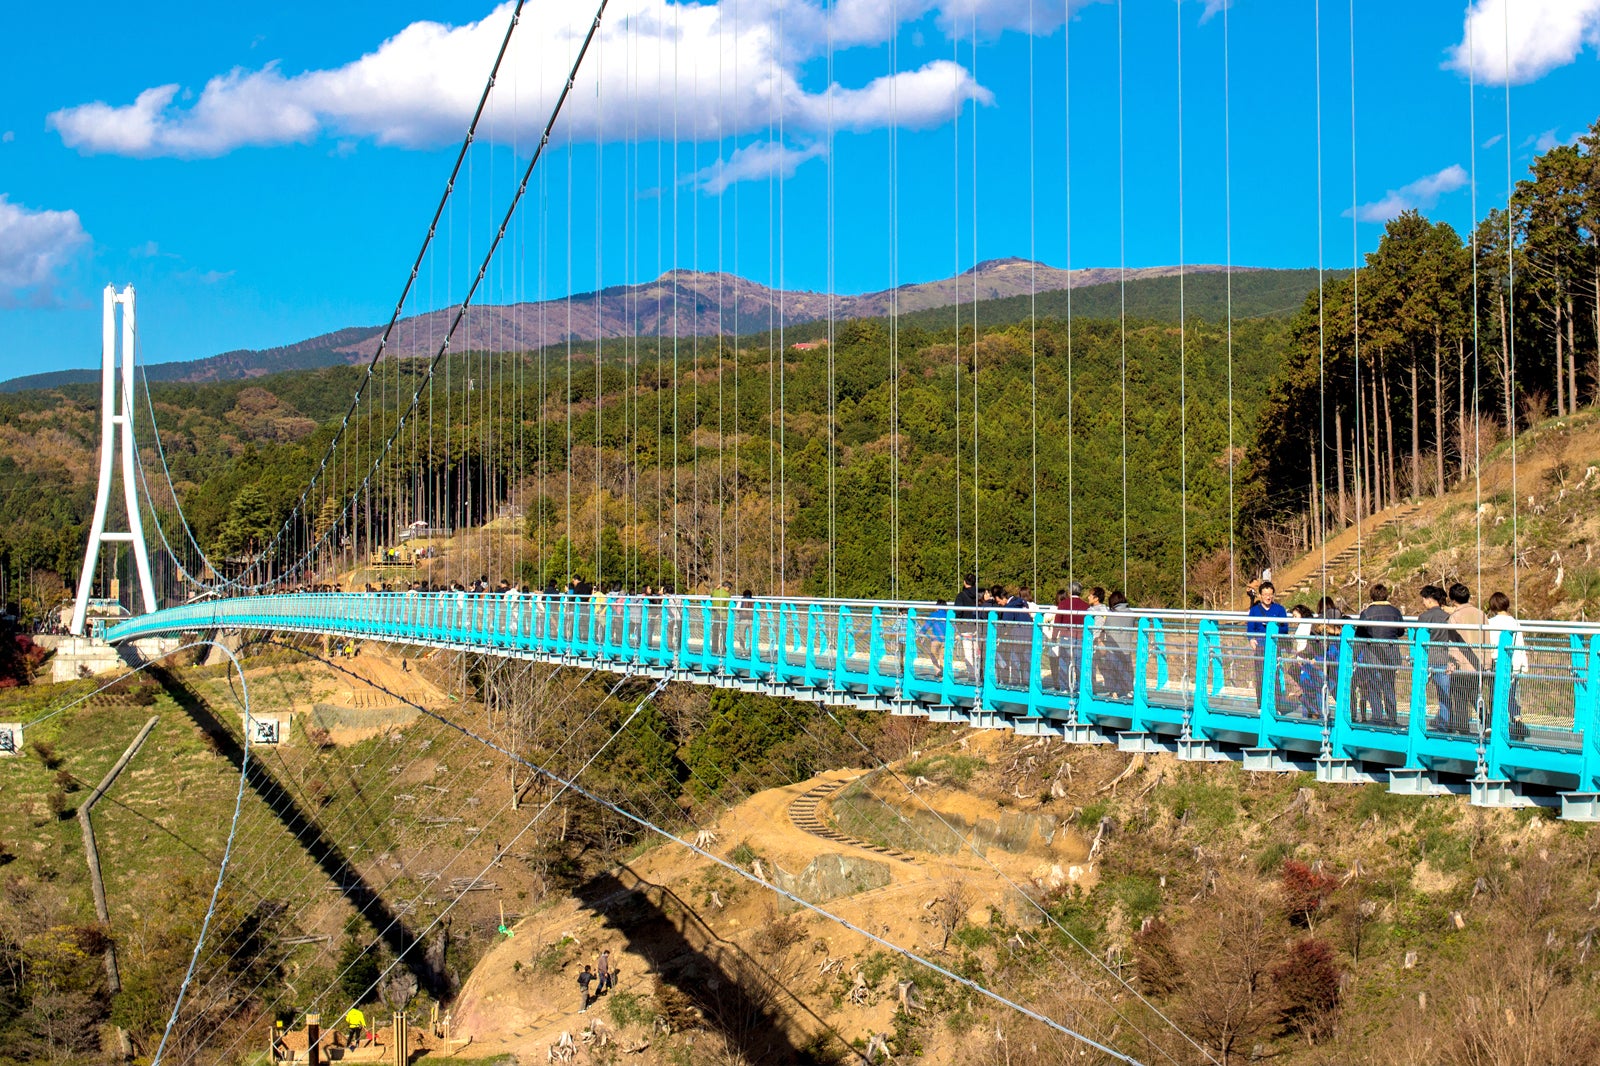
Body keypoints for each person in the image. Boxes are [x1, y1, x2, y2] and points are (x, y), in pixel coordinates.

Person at [1355, 584, 1405, 725]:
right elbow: (1400, 632)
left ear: (1372, 596)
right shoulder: (1395, 612)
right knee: (1389, 687)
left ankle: (1377, 717)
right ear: (1386, 595)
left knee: (1374, 687)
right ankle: (1391, 718)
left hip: (1372, 655)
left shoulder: (1367, 613)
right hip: (1391, 655)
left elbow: (1361, 634)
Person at [1485, 591, 1531, 737]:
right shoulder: (1515, 622)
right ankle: (1517, 719)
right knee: (1511, 693)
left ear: (1492, 606)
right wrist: (1523, 665)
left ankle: (1494, 724)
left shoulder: (1491, 623)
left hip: (1498, 663)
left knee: (1495, 693)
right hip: (1514, 663)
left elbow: (1490, 645)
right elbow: (1520, 644)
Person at [1446, 583, 1488, 734]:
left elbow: (1453, 643)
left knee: (1460, 697)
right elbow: (1487, 639)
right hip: (1479, 663)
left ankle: (1463, 729)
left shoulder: (1455, 617)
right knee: (1477, 695)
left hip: (1462, 664)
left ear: (1452, 599)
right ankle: (1486, 723)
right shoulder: (1481, 614)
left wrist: (1452, 663)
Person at [1246, 580, 1289, 706]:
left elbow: (1284, 629)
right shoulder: (1254, 610)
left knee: (1274, 676)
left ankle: (1276, 704)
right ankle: (1261, 705)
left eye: (1270, 594)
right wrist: (1251, 639)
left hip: (1274, 646)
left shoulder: (1279, 609)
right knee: (1260, 676)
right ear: (1260, 595)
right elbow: (1250, 628)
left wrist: (1273, 627)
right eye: (1265, 594)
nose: (1268, 597)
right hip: (1260, 645)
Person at [1417, 585, 1453, 730]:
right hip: (1443, 658)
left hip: (1426, 658)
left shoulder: (1424, 617)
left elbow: (1417, 638)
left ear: (1430, 599)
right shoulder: (1447, 617)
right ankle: (1444, 723)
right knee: (1444, 694)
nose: (1423, 603)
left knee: (1419, 691)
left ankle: (1418, 723)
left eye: (1424, 599)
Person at [1053, 583, 1090, 694]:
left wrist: (1054, 637)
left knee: (1064, 663)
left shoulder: (1063, 604)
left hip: (1065, 637)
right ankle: (1079, 688)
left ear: (1069, 591)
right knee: (1079, 663)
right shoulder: (1086, 606)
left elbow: (1058, 621)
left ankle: (1065, 687)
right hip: (1080, 637)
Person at [1099, 591, 1137, 697]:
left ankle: (1114, 691)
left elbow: (1105, 629)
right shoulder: (1132, 614)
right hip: (1126, 646)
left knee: (1112, 669)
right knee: (1126, 669)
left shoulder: (1110, 615)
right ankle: (1129, 690)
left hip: (1112, 647)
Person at [954, 575, 980, 679]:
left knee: (968, 652)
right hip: (977, 626)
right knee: (977, 651)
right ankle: (978, 673)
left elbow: (958, 611)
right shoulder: (979, 595)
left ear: (965, 582)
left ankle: (972, 675)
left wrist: (958, 623)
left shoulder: (961, 595)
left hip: (965, 627)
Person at [916, 599, 951, 672]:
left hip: (935, 639)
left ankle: (937, 670)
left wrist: (921, 633)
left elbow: (927, 625)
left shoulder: (933, 615)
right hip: (946, 639)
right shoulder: (948, 615)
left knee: (933, 655)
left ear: (937, 607)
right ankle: (943, 672)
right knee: (943, 658)